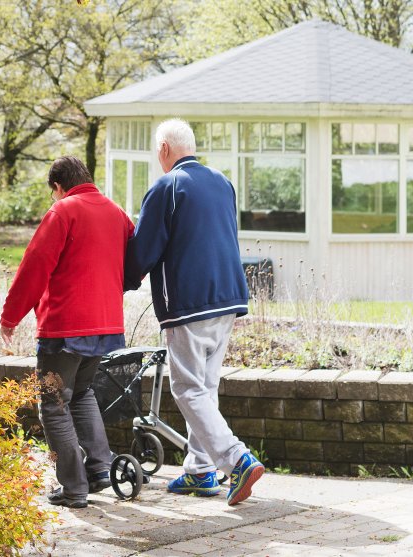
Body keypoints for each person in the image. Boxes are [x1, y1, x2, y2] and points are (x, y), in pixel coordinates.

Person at [124, 118, 264, 506]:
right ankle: (200, 471)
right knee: (205, 388)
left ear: (165, 149)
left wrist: (122, 279)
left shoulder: (167, 187)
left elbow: (143, 251)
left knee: (186, 389)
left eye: (157, 152)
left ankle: (236, 459)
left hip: (189, 302)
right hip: (228, 299)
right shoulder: (222, 182)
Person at [0, 156, 135, 509]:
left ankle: (74, 488)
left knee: (54, 405)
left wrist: (10, 316)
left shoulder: (64, 212)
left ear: (59, 188)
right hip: (105, 325)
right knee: (82, 392)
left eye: (53, 194)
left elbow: (34, 267)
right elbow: (134, 259)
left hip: (64, 329)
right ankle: (101, 469)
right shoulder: (117, 213)